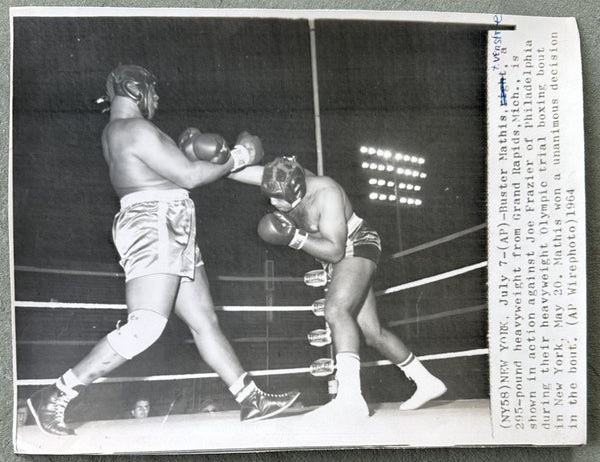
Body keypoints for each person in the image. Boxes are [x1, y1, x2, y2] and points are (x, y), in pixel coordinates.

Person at [26, 65, 299, 436]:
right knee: (147, 326)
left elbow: (179, 172)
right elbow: (188, 176)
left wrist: (200, 154)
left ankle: (250, 399)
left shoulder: (122, 131)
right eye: (153, 90)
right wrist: (239, 155)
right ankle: (56, 395)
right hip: (155, 221)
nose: (157, 98)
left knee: (204, 321)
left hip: (170, 220)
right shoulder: (134, 129)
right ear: (135, 88)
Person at [230, 156, 446, 419]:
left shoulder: (327, 193)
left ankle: (350, 398)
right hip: (335, 256)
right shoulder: (279, 178)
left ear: (296, 191)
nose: (273, 204)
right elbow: (235, 171)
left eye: (278, 198)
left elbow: (334, 251)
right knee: (371, 331)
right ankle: (426, 381)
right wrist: (217, 159)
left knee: (336, 311)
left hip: (355, 244)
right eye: (270, 197)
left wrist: (294, 237)